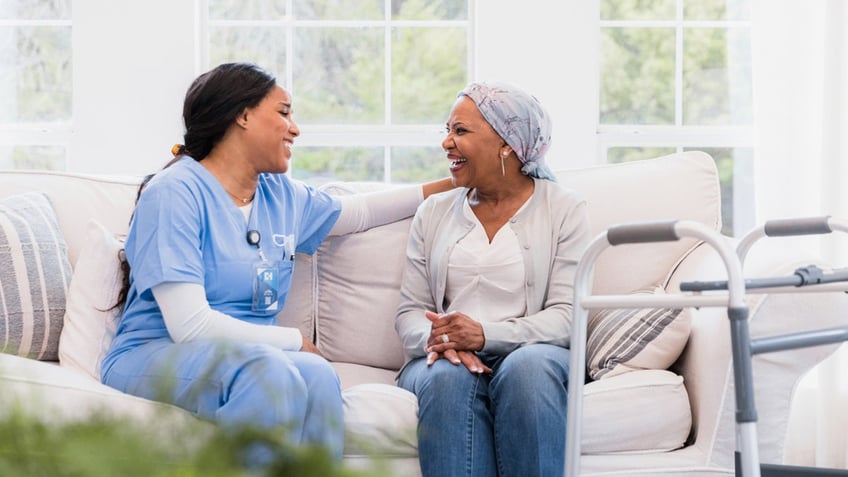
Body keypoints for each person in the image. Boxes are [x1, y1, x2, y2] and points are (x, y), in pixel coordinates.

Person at [100, 62, 455, 463]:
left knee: (319, 376)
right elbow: (189, 326)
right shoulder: (175, 193)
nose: (295, 128)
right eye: (284, 112)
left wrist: (456, 183)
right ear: (243, 115)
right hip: (156, 352)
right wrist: (295, 341)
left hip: (253, 356)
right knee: (267, 371)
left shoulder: (277, 194)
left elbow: (358, 214)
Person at [395, 80, 591, 477]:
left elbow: (569, 318)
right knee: (448, 377)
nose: (447, 143)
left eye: (461, 131)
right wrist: (443, 339)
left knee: (528, 370)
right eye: (447, 131)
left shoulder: (564, 209)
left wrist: (485, 335)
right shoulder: (433, 212)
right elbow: (410, 313)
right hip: (446, 355)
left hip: (534, 350)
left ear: (507, 144)